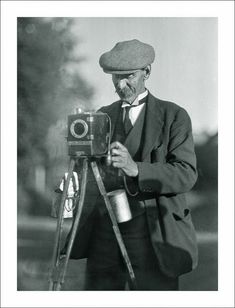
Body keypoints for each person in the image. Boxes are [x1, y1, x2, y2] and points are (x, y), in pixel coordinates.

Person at [59, 39, 198, 291]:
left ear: (147, 72)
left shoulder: (174, 116)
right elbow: (88, 169)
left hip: (153, 233)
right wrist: (73, 184)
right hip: (104, 233)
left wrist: (136, 169)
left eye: (129, 76)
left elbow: (186, 174)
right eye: (115, 78)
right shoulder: (102, 115)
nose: (121, 85)